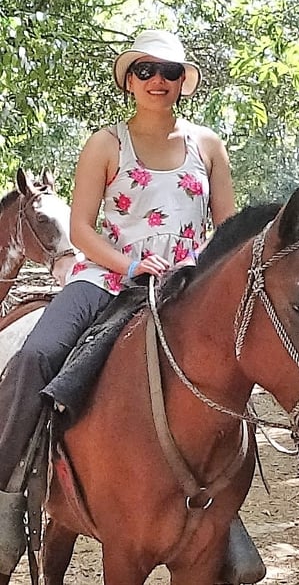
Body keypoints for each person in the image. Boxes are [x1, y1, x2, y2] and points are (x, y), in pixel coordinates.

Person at [0, 29, 238, 576]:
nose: (158, 81)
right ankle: (8, 496)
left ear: (184, 83)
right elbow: (81, 229)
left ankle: (222, 517)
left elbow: (227, 228)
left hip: (187, 284)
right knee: (38, 355)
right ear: (130, 79)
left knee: (235, 371)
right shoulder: (105, 144)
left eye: (170, 72)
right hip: (109, 275)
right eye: (146, 70)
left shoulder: (209, 147)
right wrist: (129, 266)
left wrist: (205, 271)